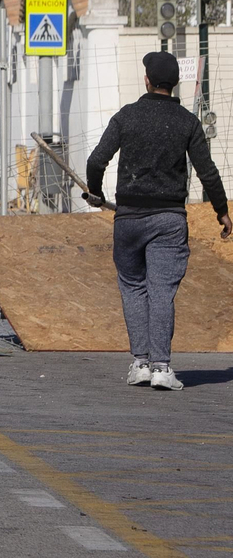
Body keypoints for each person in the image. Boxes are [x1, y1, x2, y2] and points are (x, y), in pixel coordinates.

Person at [84, 51, 231, 391]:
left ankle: (140, 364)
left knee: (133, 287)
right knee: (162, 291)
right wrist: (221, 211)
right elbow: (207, 171)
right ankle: (162, 368)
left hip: (129, 218)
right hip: (169, 219)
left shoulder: (126, 116)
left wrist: (95, 191)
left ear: (147, 81)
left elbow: (96, 161)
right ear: (174, 83)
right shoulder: (187, 122)